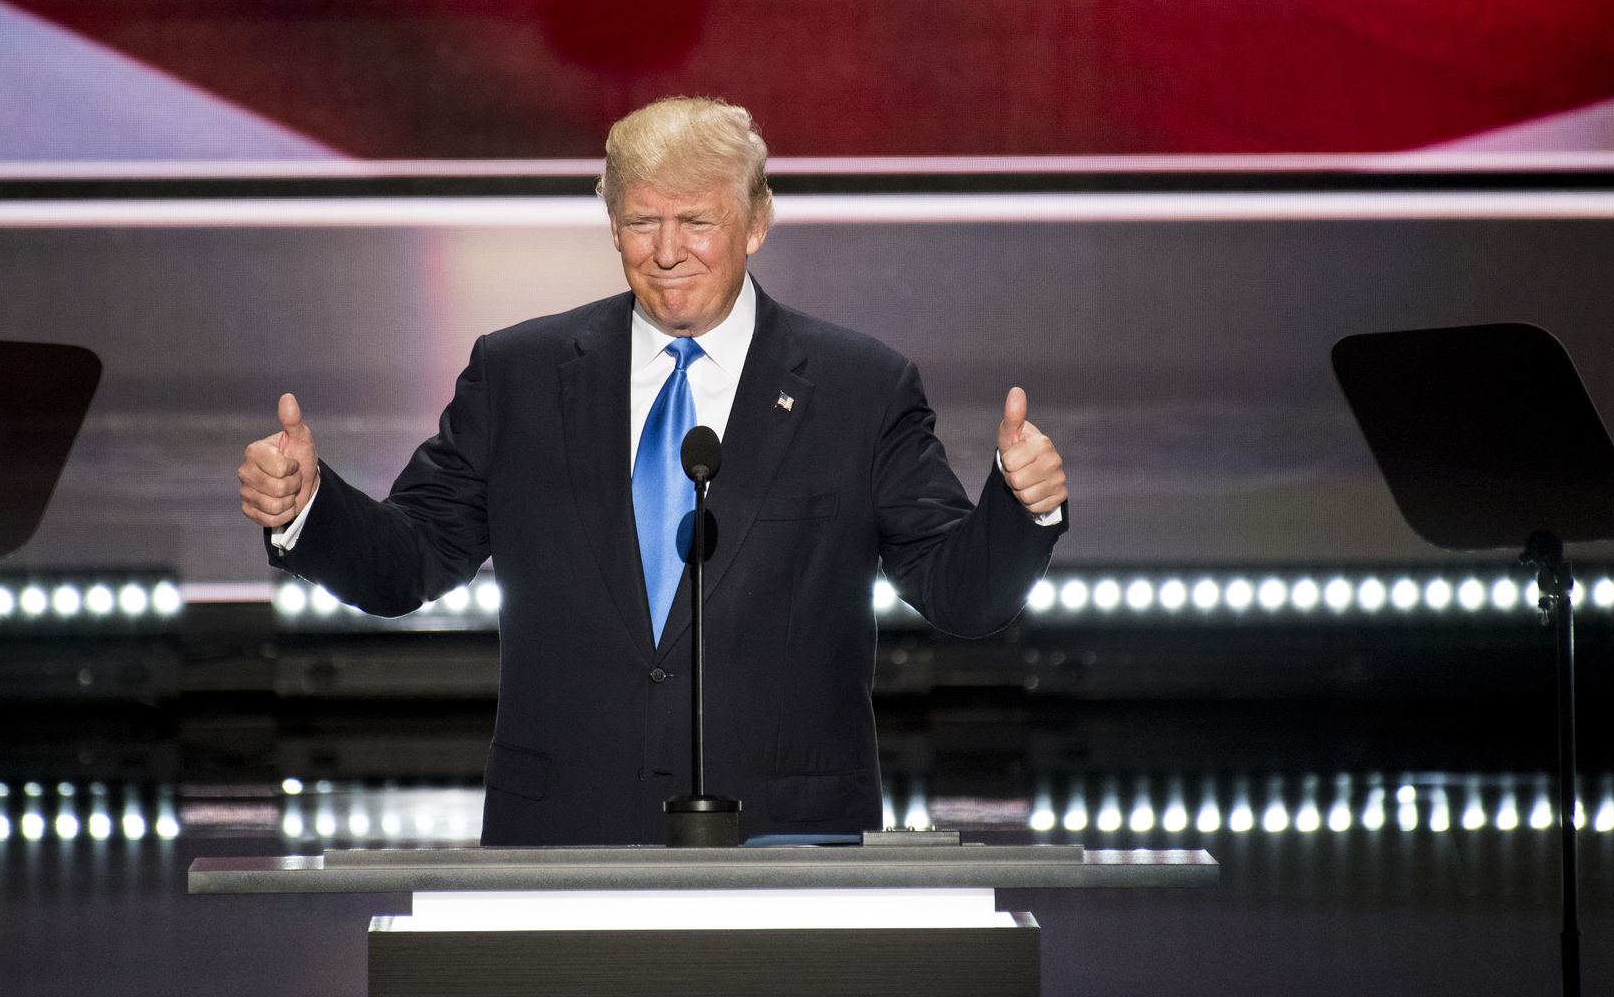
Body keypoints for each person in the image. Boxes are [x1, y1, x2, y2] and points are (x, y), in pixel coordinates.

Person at [237, 97, 1068, 846]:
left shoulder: (859, 387)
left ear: (756, 222)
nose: (667, 252)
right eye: (642, 222)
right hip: (563, 832)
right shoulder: (519, 373)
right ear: (611, 224)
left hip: (788, 839)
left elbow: (962, 595)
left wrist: (1019, 507)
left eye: (696, 222)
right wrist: (310, 506)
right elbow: (407, 561)